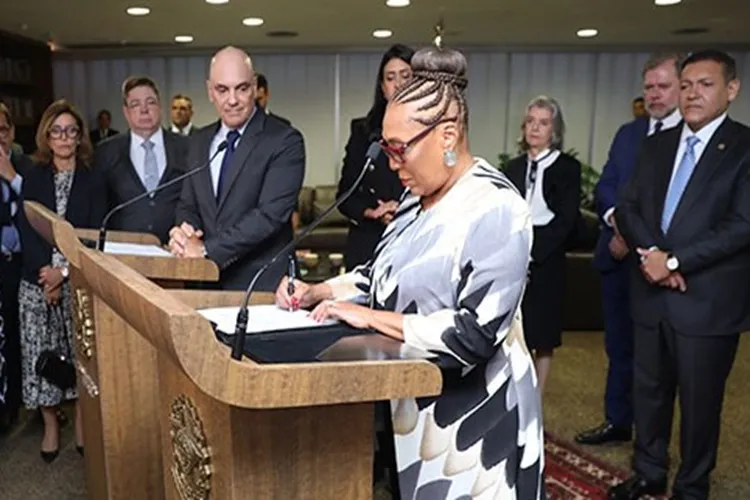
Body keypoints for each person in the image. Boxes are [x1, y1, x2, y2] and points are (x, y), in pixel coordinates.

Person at [275, 46, 544, 499]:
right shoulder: (412, 199)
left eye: (400, 149)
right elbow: (379, 275)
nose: (392, 163)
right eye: (387, 148)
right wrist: (317, 290)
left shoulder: (499, 208)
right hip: (414, 411)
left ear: (447, 135)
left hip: (479, 425)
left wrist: (374, 318)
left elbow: (474, 335)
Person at [610, 50, 749, 500]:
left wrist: (673, 262)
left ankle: (692, 486)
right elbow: (629, 208)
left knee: (699, 403)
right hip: (650, 293)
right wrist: (652, 255)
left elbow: (742, 225)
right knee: (648, 392)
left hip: (705, 300)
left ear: (731, 90)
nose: (692, 94)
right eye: (686, 85)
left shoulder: (744, 148)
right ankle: (649, 471)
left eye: (705, 85)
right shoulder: (657, 144)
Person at [577, 53, 683, 446]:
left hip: (661, 263)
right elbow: (607, 187)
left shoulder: (689, 138)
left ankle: (651, 438)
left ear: (680, 86)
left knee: (658, 357)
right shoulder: (628, 133)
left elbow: (671, 203)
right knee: (618, 346)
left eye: (663, 86)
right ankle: (617, 421)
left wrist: (638, 238)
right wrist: (615, 224)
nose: (654, 94)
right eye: (649, 87)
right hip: (617, 257)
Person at [169, 46, 305, 291]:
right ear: (210, 91)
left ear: (254, 87)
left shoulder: (285, 140)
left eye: (241, 88)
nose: (232, 100)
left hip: (260, 285)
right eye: (222, 90)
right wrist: (184, 232)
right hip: (204, 283)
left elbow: (269, 216)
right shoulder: (199, 141)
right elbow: (188, 204)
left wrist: (207, 249)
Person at [17, 99, 107, 462]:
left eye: (71, 130)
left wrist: (64, 273)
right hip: (36, 283)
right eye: (57, 131)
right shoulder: (33, 175)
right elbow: (28, 227)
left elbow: (93, 235)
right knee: (40, 358)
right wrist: (47, 276)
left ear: (80, 136)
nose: (65, 137)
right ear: (46, 136)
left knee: (80, 359)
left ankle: (83, 422)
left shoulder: (94, 178)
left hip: (78, 282)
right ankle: (52, 426)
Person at [505, 95, 581, 396]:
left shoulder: (568, 168)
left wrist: (534, 253)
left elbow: (567, 220)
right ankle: (511, 395)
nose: (535, 128)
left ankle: (536, 399)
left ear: (555, 130)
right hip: (513, 253)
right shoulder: (511, 167)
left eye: (544, 123)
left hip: (548, 255)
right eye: (531, 122)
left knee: (543, 333)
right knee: (513, 329)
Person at [336, 44, 413, 269]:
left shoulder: (434, 132)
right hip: (368, 244)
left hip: (414, 243)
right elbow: (345, 195)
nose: (398, 84)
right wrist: (372, 212)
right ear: (382, 87)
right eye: (390, 78)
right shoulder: (363, 131)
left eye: (405, 76)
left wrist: (403, 209)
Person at [95, 77, 189, 244]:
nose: (144, 110)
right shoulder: (106, 152)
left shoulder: (187, 147)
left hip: (176, 253)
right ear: (126, 111)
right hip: (124, 255)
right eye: (135, 104)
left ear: (160, 107)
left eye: (150, 102)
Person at [0, 103, 33, 432]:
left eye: (1, 130)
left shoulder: (26, 165)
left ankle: (28, 400)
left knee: (21, 333)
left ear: (10, 131)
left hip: (23, 263)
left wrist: (11, 176)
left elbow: (38, 211)